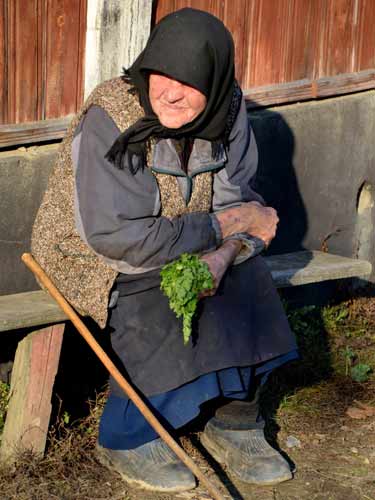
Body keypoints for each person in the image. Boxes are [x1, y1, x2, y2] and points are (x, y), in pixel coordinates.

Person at [32, 7, 298, 493]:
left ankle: (234, 421)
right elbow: (119, 238)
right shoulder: (111, 115)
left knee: (246, 279)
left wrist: (222, 253)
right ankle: (128, 438)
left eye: (189, 81)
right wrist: (220, 227)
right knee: (154, 293)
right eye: (162, 75)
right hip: (92, 251)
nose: (170, 92)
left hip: (189, 234)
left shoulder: (229, 108)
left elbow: (238, 199)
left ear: (216, 83)